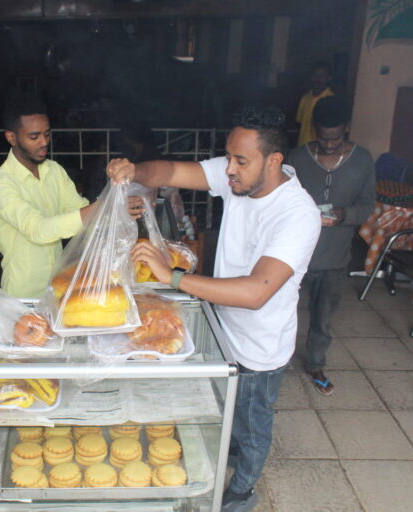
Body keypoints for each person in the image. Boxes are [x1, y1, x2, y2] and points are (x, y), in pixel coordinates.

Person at [107, 105, 321, 512]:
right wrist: (134, 171)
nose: (229, 170)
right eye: (229, 158)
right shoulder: (238, 176)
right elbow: (169, 172)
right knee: (227, 410)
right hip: (222, 329)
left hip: (259, 347)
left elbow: (256, 292)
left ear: (273, 161)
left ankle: (243, 488)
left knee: (253, 422)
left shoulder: (297, 215)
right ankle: (229, 451)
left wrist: (171, 276)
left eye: (241, 161)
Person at [0, 93, 142, 298]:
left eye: (47, 134)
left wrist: (116, 203)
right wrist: (105, 206)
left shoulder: (53, 171)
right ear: (11, 138)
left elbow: (81, 213)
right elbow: (39, 229)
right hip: (23, 296)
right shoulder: (1, 184)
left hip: (58, 289)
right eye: (34, 137)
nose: (44, 142)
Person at [288, 96, 375, 396]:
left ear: (346, 128)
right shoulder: (297, 159)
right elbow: (281, 199)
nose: (328, 145)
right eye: (323, 138)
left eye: (335, 139)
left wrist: (344, 214)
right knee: (282, 312)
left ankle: (316, 365)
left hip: (335, 258)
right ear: (314, 128)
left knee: (323, 318)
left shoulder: (362, 160)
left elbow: (367, 207)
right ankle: (275, 360)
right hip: (295, 255)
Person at [295, 62, 334, 147]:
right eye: (315, 75)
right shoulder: (305, 98)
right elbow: (300, 122)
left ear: (329, 78)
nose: (318, 79)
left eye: (322, 76)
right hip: (303, 145)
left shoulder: (332, 100)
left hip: (321, 148)